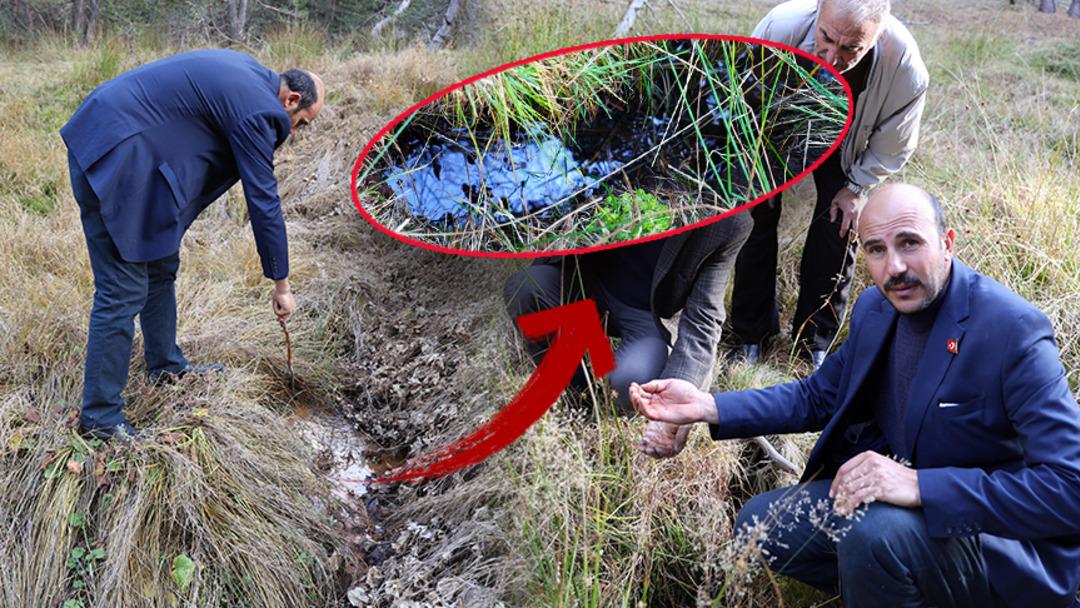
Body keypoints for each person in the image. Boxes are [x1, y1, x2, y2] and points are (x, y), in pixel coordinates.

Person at [631, 183, 1080, 607]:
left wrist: (921, 486)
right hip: (902, 518)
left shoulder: (1012, 330)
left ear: (948, 242)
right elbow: (817, 398)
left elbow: (1069, 488)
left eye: (910, 243)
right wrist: (706, 406)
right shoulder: (875, 309)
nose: (894, 267)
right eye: (876, 250)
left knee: (872, 533)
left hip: (996, 547)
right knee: (761, 524)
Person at [61, 49, 324, 440]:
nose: (293, 134)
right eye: (300, 123)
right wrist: (281, 283)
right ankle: (99, 417)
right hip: (115, 156)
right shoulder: (259, 111)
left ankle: (166, 366)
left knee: (161, 265)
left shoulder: (250, 75)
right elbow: (263, 201)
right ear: (291, 100)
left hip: (130, 150)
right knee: (122, 289)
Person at [730, 0, 929, 368]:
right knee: (756, 212)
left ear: (877, 34)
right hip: (778, 129)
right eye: (826, 39)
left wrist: (856, 187)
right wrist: (756, 163)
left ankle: (813, 341)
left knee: (840, 223)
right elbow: (742, 101)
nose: (834, 58)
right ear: (818, 11)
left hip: (847, 140)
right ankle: (749, 333)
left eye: (852, 48)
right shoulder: (780, 27)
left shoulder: (904, 66)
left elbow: (895, 143)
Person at [504, 213, 751, 457]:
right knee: (526, 289)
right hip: (586, 279)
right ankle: (577, 397)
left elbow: (704, 317)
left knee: (629, 382)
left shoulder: (730, 222)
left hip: (648, 315)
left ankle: (606, 404)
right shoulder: (615, 175)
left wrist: (682, 389)